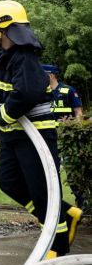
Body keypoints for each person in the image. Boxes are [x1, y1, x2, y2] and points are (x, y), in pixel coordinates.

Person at [0, 0, 82, 259]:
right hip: (13, 134)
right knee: (10, 183)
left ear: (5, 30)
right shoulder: (2, 58)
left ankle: (57, 248)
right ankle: (65, 213)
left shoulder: (25, 58)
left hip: (35, 134)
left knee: (42, 191)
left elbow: (27, 93)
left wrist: (1, 113)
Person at [42, 63, 86, 208]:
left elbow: (78, 112)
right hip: (49, 138)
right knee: (51, 172)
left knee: (71, 173)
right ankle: (56, 205)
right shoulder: (42, 93)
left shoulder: (68, 90)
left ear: (51, 75)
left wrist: (76, 131)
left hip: (66, 138)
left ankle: (81, 202)